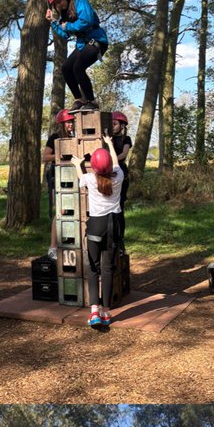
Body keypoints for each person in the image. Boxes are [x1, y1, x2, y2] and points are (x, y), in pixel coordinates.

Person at [45, 0, 108, 110]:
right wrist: (53, 22)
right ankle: (79, 100)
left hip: (97, 40)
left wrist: (68, 26)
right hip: (82, 44)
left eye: (60, 1)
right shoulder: (64, 15)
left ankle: (92, 101)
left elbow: (87, 20)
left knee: (78, 67)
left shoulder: (79, 0)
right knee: (66, 68)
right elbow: (65, 35)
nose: (59, 5)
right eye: (56, 4)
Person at [80, 147, 125, 329]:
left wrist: (78, 164)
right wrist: (109, 144)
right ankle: (106, 312)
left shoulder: (90, 178)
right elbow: (116, 163)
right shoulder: (118, 176)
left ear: (95, 167)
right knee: (107, 268)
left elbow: (80, 178)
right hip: (113, 226)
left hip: (96, 226)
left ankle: (94, 312)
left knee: (93, 268)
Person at [42, 108, 77, 257]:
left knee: (75, 211)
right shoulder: (55, 137)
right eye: (68, 122)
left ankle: (72, 243)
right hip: (59, 178)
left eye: (72, 122)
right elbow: (45, 156)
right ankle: (53, 247)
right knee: (60, 211)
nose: (71, 125)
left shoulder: (77, 137)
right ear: (62, 124)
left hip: (75, 177)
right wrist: (62, 155)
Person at [111, 111, 133, 247]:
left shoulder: (126, 139)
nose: (112, 126)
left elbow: (123, 155)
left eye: (115, 124)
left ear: (122, 125)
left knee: (119, 206)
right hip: (107, 172)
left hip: (120, 173)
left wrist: (108, 160)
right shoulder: (106, 138)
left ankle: (120, 238)